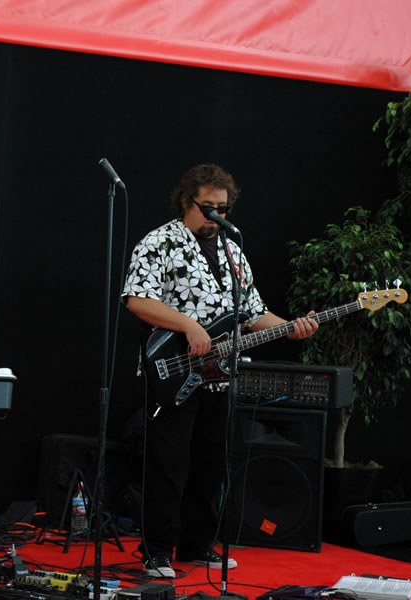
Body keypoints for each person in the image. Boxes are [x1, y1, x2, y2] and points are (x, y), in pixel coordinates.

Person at [122, 164, 318, 578]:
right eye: (208, 207)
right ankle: (157, 551)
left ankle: (196, 545)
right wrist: (188, 325)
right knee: (168, 464)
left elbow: (253, 313)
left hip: (219, 375)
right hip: (174, 371)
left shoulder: (233, 251)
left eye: (223, 209)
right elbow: (137, 299)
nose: (216, 216)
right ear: (185, 201)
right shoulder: (159, 242)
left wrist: (290, 328)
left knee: (211, 465)